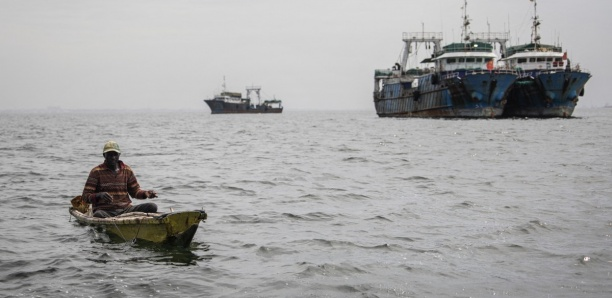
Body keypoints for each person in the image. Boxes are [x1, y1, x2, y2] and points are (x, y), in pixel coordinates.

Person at [82, 140, 158, 218]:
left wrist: (146, 194)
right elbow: (85, 197)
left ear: (119, 155)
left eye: (115, 154)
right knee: (98, 214)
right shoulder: (96, 172)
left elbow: (135, 192)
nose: (113, 158)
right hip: (106, 211)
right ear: (104, 155)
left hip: (126, 210)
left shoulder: (127, 170)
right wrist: (99, 195)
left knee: (152, 206)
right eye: (109, 155)